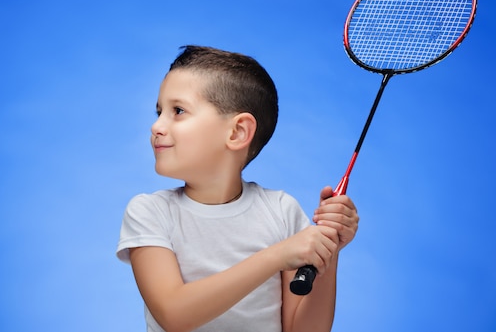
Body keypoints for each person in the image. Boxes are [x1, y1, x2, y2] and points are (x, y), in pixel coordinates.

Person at [116, 45, 359, 332]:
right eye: (159, 111)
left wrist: (327, 255)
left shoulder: (281, 212)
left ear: (237, 132)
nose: (156, 126)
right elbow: (174, 314)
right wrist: (277, 256)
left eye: (178, 111)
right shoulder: (149, 212)